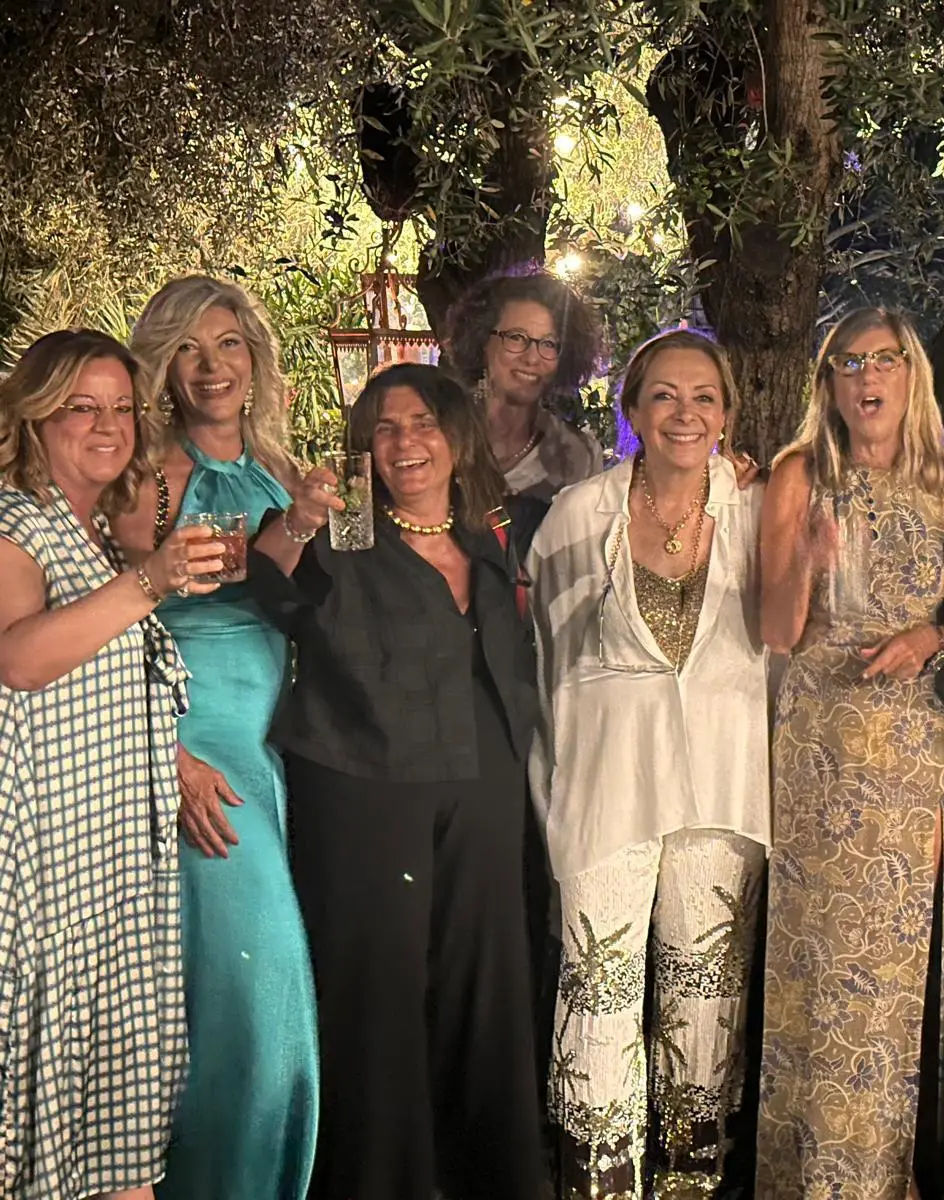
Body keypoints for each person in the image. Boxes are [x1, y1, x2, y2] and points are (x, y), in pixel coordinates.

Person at [248, 363, 547, 1200]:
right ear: (365, 449)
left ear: (456, 436)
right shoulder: (340, 534)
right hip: (365, 784)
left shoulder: (494, 534)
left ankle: (488, 1178)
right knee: (378, 988)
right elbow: (268, 584)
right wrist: (298, 519)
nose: (406, 442)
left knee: (486, 981)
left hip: (484, 783)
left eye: (422, 423)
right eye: (384, 428)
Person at [526, 329, 769, 1198]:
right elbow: (546, 663)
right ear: (630, 409)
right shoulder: (577, 514)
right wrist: (554, 784)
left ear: (727, 413)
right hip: (605, 781)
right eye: (663, 394)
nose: (684, 413)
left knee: (707, 997)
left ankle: (691, 1182)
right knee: (598, 988)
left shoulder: (757, 512)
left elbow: (784, 648)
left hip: (725, 785)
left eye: (704, 396)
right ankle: (599, 1184)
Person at [756, 307, 944, 1200]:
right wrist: (808, 562)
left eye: (881, 360)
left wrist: (933, 634)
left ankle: (892, 1173)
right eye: (847, 364)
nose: (865, 378)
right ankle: (813, 1172)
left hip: (918, 753)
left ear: (911, 373)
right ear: (829, 382)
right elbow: (777, 631)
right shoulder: (799, 474)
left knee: (900, 963)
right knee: (821, 958)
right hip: (822, 747)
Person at [0, 330, 225, 1199]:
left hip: (110, 867)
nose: (107, 425)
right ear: (35, 417)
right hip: (49, 872)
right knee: (56, 1108)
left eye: (122, 408)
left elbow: (100, 680)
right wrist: (151, 581)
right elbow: (20, 661)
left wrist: (174, 756)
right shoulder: (15, 522)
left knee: (113, 1129)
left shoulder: (88, 529)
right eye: (81, 407)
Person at [109, 275, 319, 1200]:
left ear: (254, 357)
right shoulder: (149, 478)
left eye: (228, 344)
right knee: (251, 980)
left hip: (271, 746)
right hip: (194, 744)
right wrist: (168, 757)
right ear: (163, 367)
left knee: (233, 980)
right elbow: (110, 629)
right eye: (188, 350)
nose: (210, 367)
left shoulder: (278, 468)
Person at [445, 271, 606, 515]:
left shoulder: (580, 456)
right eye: (517, 337)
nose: (532, 358)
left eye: (549, 343)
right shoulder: (438, 433)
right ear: (481, 341)